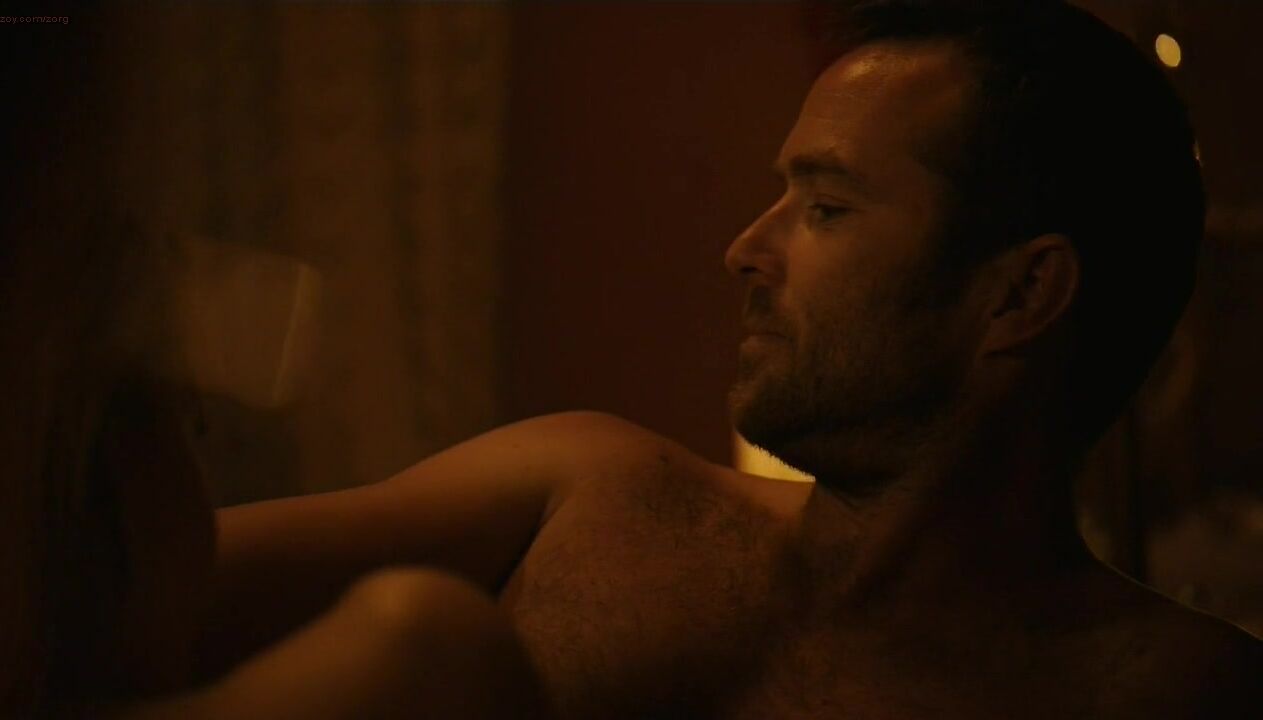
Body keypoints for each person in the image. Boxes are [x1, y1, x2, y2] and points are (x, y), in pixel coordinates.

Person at [195, 1, 1262, 718]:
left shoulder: (1171, 692)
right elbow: (126, 595)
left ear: (1021, 294)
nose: (745, 249)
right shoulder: (585, 492)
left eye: (827, 207)